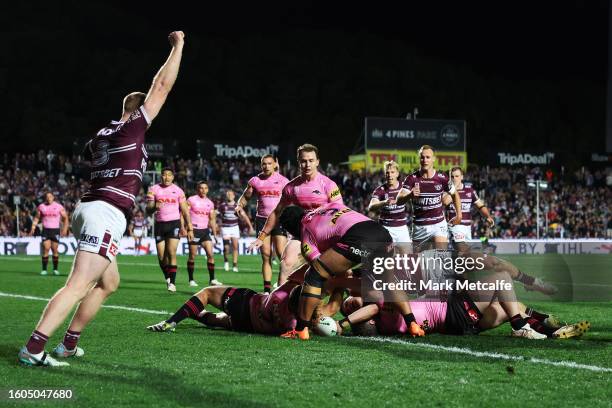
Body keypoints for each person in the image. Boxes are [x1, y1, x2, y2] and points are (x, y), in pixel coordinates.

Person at [18, 31, 186, 367]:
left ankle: (68, 343)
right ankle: (34, 348)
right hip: (106, 211)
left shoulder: (102, 133)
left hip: (90, 207)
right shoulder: (131, 128)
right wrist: (178, 45)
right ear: (138, 112)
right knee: (79, 284)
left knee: (109, 282)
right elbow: (161, 87)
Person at [277, 202, 423, 340]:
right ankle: (412, 323)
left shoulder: (305, 232)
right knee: (389, 282)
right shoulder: (325, 207)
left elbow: (320, 269)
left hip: (358, 237)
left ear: (292, 230)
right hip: (381, 232)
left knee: (313, 275)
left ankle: (302, 329)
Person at [442, 167, 557, 295]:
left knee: (471, 277)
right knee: (490, 264)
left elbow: (480, 206)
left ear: (462, 177)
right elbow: (444, 201)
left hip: (465, 240)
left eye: (457, 176)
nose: (454, 179)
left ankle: (529, 283)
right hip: (454, 242)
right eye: (452, 177)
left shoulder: (469, 191)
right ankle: (531, 282)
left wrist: (488, 216)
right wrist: (450, 193)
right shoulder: (446, 192)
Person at [248, 144, 343, 285]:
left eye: (311, 160)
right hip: (302, 235)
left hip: (326, 236)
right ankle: (279, 304)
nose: (307, 164)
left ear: (317, 161)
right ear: (299, 162)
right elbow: (276, 211)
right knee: (286, 263)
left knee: (334, 277)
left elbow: (340, 212)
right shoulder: (291, 187)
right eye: (304, 161)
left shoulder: (328, 185)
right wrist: (262, 236)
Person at [236, 154, 289, 292]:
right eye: (264, 164)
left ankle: (282, 285)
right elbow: (245, 197)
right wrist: (239, 205)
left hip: (279, 219)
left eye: (269, 163)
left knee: (281, 254)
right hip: (261, 219)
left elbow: (291, 199)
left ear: (274, 165)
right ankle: (266, 290)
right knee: (266, 255)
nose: (266, 166)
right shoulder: (255, 180)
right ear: (261, 165)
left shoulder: (283, 181)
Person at [396, 145, 462, 248]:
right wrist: (410, 195)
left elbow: (455, 194)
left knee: (440, 257)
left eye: (428, 157)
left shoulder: (442, 178)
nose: (424, 160)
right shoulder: (411, 179)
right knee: (420, 263)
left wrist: (459, 215)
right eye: (422, 157)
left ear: (433, 159)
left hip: (438, 224)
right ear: (419, 159)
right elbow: (398, 200)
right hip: (419, 227)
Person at [147, 167, 194, 292]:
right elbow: (148, 209)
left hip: (174, 224)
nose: (166, 177)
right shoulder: (153, 189)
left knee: (171, 252)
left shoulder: (178, 191)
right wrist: (154, 207)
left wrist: (189, 228)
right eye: (164, 175)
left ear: (173, 177)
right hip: (159, 225)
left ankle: (172, 283)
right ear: (161, 176)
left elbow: (185, 210)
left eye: (169, 175)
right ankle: (168, 277)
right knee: (162, 258)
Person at [186, 181, 221, 287]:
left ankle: (212, 279)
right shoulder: (191, 200)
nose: (203, 190)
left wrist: (215, 234)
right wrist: (185, 228)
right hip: (194, 231)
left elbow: (212, 220)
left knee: (211, 255)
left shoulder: (210, 203)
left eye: (205, 188)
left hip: (205, 232)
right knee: (192, 256)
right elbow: (185, 214)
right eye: (201, 188)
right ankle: (191, 279)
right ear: (198, 189)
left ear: (208, 189)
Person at [368, 160, 411, 244]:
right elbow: (371, 207)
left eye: (392, 172)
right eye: (387, 172)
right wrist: (384, 202)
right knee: (387, 256)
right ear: (385, 174)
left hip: (402, 228)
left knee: (407, 256)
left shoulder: (404, 187)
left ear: (397, 174)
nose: (389, 175)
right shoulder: (380, 190)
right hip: (386, 228)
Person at [30, 192, 69, 275]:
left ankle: (55, 269)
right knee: (46, 249)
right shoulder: (41, 207)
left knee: (55, 250)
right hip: (45, 231)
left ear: (53, 197)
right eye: (47, 197)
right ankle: (44, 270)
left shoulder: (58, 207)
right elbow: (37, 218)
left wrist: (65, 229)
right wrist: (33, 227)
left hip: (55, 230)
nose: (49, 198)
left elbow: (65, 218)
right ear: (45, 198)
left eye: (50, 196)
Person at [218, 190, 254, 273]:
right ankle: (226, 261)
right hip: (225, 228)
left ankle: (234, 265)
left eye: (230, 194)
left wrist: (250, 227)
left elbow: (244, 216)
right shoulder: (222, 206)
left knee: (235, 247)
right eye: (227, 194)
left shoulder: (237, 206)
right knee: (226, 247)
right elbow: (217, 216)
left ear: (234, 196)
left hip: (234, 228)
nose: (229, 196)